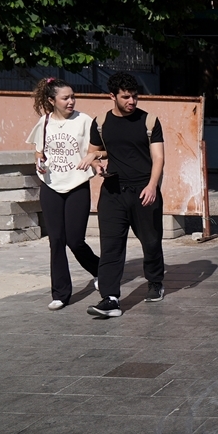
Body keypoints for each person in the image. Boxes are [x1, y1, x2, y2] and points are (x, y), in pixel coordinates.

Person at [81, 73, 165, 318]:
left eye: (135, 96)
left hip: (143, 191)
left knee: (150, 242)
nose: (132, 101)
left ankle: (155, 281)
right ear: (112, 97)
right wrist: (97, 166)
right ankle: (110, 299)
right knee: (111, 247)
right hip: (113, 192)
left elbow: (158, 157)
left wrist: (152, 186)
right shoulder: (100, 122)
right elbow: (94, 153)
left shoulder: (149, 121)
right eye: (126, 97)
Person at [27, 78, 101, 311]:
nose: (71, 101)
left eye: (72, 97)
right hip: (50, 185)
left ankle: (100, 270)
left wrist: (93, 159)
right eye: (65, 98)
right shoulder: (45, 121)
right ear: (52, 100)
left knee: (75, 240)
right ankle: (60, 293)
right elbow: (39, 151)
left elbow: (98, 149)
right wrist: (39, 161)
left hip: (77, 185)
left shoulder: (84, 121)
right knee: (56, 240)